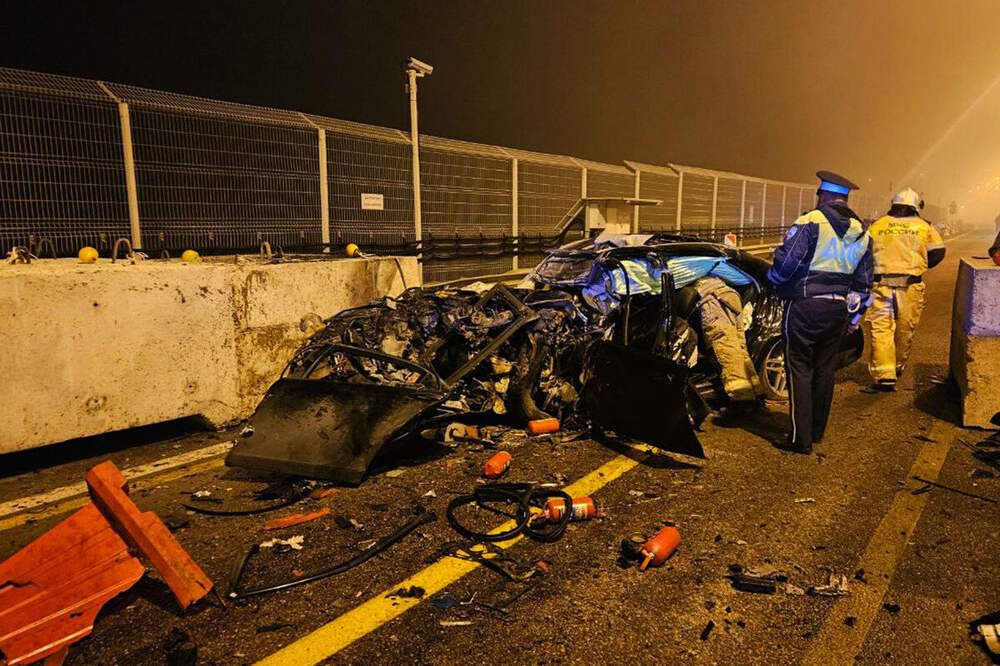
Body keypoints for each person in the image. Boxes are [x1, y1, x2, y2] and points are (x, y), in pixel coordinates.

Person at [767, 171, 873, 454]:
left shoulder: (810, 221)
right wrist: (855, 317)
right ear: (844, 199)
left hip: (805, 306)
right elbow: (864, 282)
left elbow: (786, 265)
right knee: (825, 370)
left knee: (799, 368)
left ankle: (799, 439)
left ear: (823, 195)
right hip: (838, 309)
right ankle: (816, 432)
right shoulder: (862, 231)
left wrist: (774, 281)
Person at [866, 188, 946, 389]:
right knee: (905, 328)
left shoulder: (878, 225)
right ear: (916, 206)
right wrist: (919, 265)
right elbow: (938, 252)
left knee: (881, 329)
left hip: (880, 286)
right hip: (910, 286)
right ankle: (897, 366)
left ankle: (884, 374)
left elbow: (863, 252)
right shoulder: (924, 226)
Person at [691, 276, 764, 402]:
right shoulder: (713, 271)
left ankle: (742, 398)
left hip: (712, 298)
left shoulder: (685, 270)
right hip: (730, 294)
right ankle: (757, 392)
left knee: (726, 349)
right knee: (740, 348)